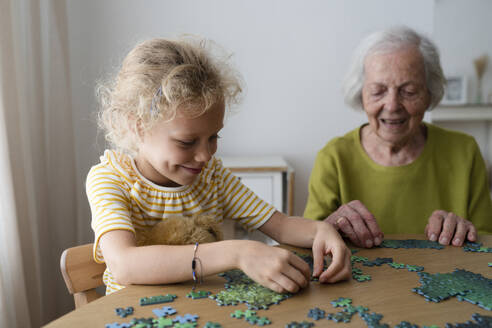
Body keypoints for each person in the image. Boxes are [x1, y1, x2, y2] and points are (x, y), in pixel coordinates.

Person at [87, 37, 351, 295]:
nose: (205, 155)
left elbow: (280, 226)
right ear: (138, 126)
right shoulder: (111, 179)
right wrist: (237, 252)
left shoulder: (213, 178)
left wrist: (322, 231)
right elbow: (124, 265)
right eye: (187, 142)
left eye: (214, 137)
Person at [304, 26, 492, 249]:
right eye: (378, 91)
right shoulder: (333, 157)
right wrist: (328, 227)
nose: (392, 106)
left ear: (429, 94)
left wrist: (466, 231)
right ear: (360, 93)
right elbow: (309, 242)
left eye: (409, 91)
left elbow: (486, 242)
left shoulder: (465, 151)